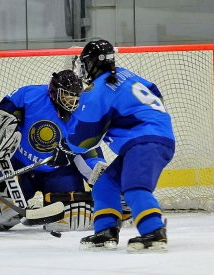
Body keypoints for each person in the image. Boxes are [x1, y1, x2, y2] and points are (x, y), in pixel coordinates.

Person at [48, 40, 175, 252]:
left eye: (85, 63)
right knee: (104, 184)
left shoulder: (98, 89)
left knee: (134, 187)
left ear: (90, 64)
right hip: (149, 138)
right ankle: (105, 232)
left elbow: (85, 137)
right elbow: (154, 91)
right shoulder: (125, 74)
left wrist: (65, 148)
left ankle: (154, 231)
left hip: (144, 140)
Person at [0, 69, 107, 232]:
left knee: (73, 217)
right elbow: (3, 116)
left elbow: (89, 149)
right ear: (54, 92)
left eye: (75, 96)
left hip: (59, 172)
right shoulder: (28, 96)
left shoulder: (84, 111)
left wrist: (106, 182)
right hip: (20, 168)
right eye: (67, 96)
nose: (72, 102)